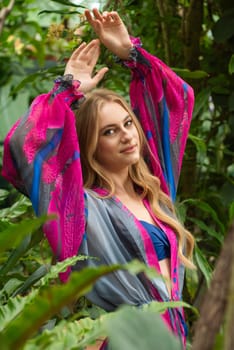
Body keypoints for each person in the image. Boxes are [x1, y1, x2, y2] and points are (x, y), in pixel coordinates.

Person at [2, 8, 195, 349]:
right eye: (109, 131)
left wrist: (129, 53)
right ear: (91, 146)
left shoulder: (156, 188)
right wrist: (67, 88)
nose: (126, 135)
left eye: (127, 123)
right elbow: (25, 146)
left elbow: (177, 98)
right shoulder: (84, 207)